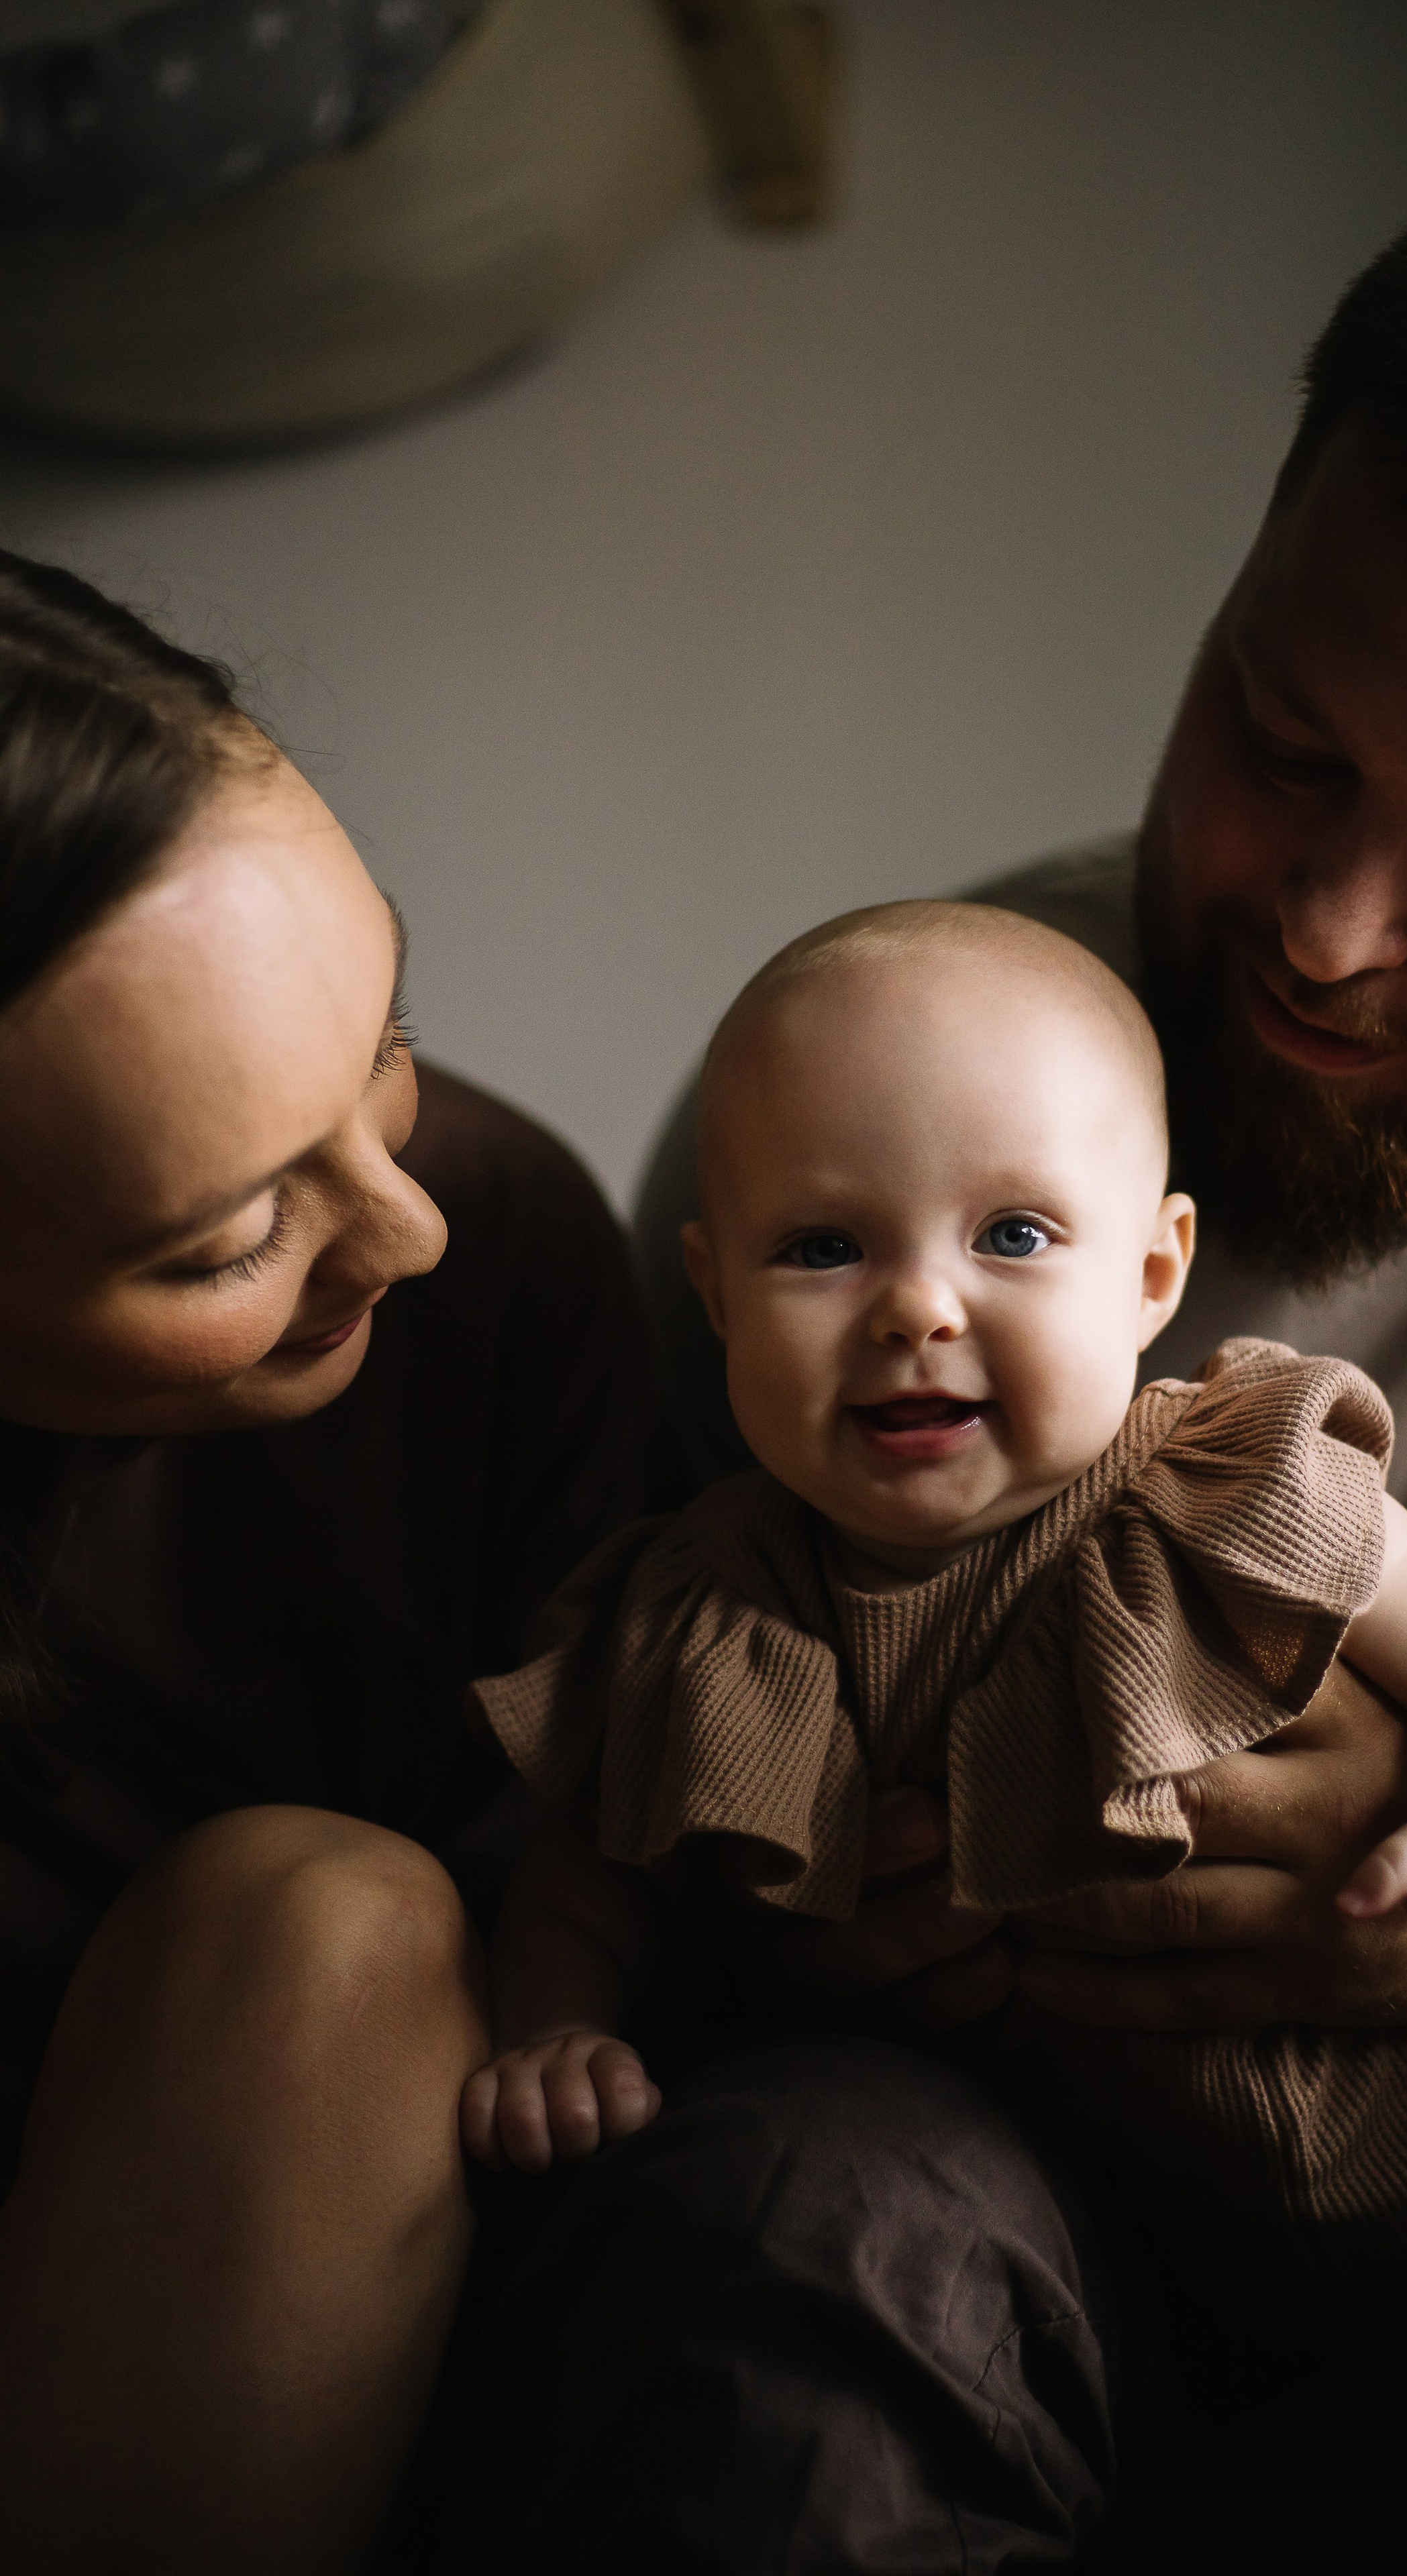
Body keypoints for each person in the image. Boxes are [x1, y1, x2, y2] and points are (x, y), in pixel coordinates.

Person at [428, 155, 1407, 2570]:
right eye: (1284, 741)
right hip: (1006, 2171)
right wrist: (761, 1923)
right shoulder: (893, 1073)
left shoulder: (1259, 1455)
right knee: (778, 2230)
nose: (1327, 929)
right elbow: (642, 1779)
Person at [464, 898, 1407, 2279]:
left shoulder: (1233, 1491)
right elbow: (590, 1880)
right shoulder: (704, 1611)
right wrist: (557, 2029)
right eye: (823, 1248)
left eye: (1013, 1236)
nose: (917, 1309)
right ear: (716, 1293)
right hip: (1101, 2251)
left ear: (1150, 1276)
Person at [0, 550, 671, 2572]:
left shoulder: (498, 1253)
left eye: (388, 1040)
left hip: (399, 2284)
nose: (405, 1231)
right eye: (227, 1243)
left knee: (329, 1923)